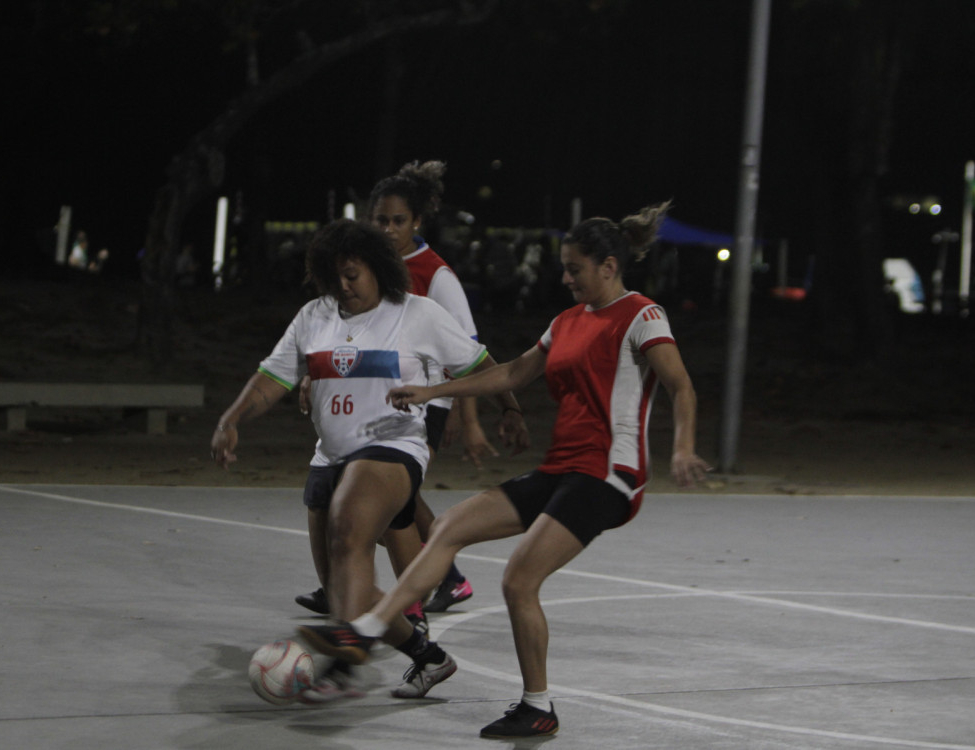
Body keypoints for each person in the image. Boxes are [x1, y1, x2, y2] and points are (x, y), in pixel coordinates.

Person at [298, 202, 712, 738]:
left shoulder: (642, 315)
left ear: (609, 266)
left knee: (520, 579)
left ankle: (537, 706)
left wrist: (682, 447)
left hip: (608, 475)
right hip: (562, 468)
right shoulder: (565, 321)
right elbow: (515, 371)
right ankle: (365, 632)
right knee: (447, 528)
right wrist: (434, 389)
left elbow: (681, 385)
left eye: (574, 268)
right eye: (564, 267)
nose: (564, 277)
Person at [211, 218, 495, 703]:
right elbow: (273, 378)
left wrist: (504, 410)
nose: (343, 287)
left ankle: (343, 667)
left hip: (393, 447)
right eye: (334, 277)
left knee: (348, 530)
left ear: (378, 270)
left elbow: (478, 364)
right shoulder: (314, 317)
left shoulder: (416, 314)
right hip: (331, 455)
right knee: (348, 591)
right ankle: (428, 657)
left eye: (352, 275)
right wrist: (232, 417)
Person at [295, 161, 529, 620]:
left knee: (379, 495)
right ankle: (408, 581)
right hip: (369, 396)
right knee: (388, 497)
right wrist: (312, 376)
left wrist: (471, 418)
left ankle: (408, 587)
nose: (387, 228)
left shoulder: (436, 276)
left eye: (397, 220)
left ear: (417, 222)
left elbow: (472, 351)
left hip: (426, 400)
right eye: (379, 219)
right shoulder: (356, 269)